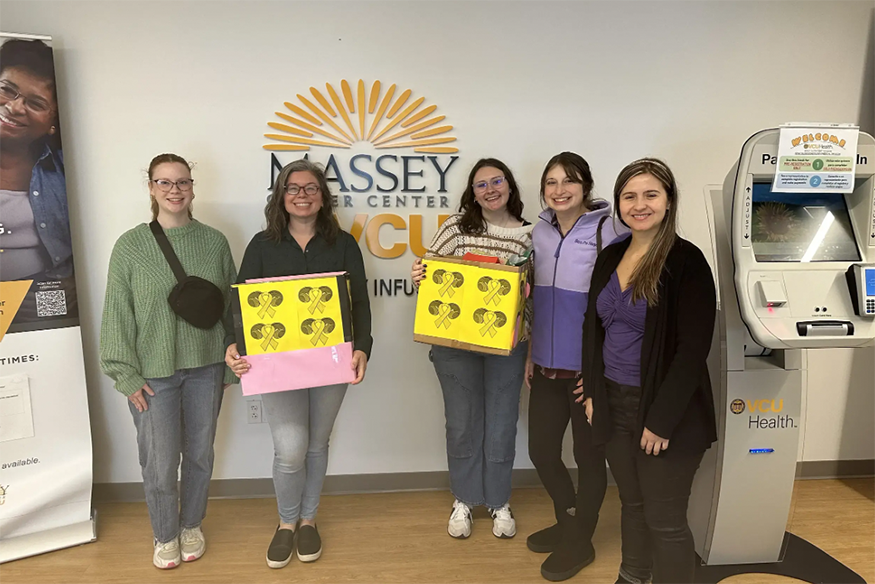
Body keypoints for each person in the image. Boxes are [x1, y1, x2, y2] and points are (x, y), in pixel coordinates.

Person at [225, 159, 372, 569]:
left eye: (310, 188)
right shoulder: (261, 245)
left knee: (317, 444)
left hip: (332, 361)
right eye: (293, 188)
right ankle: (286, 523)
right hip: (277, 366)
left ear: (322, 196)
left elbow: (359, 301)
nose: (302, 195)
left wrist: (363, 347)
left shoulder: (343, 243)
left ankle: (308, 519)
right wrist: (232, 345)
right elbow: (240, 304)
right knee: (291, 450)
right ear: (281, 196)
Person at [579, 158, 717, 584]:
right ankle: (633, 575)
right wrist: (590, 393)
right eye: (630, 196)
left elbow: (692, 352)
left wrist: (660, 421)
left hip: (665, 412)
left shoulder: (687, 262)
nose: (639, 204)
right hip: (613, 402)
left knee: (665, 519)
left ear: (669, 200)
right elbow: (592, 328)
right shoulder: (612, 256)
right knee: (633, 504)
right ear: (619, 203)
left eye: (650, 194)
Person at [99, 153, 237, 569]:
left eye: (182, 182)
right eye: (164, 182)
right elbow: (117, 312)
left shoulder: (214, 242)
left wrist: (231, 363)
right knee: (158, 461)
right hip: (152, 374)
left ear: (193, 187)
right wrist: (123, 373)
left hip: (207, 366)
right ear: (151, 188)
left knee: (199, 454)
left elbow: (233, 305)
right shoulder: (130, 245)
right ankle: (165, 534)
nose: (174, 190)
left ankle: (192, 523)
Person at [411, 158, 532, 540]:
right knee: (462, 423)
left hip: (507, 345)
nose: (490, 189)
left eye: (497, 181)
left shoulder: (531, 236)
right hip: (455, 346)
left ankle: (498, 501)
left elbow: (534, 295)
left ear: (510, 186)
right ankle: (464, 498)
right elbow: (432, 275)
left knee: (501, 425)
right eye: (481, 184)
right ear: (472, 192)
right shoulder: (456, 227)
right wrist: (420, 275)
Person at [525, 152, 625, 581]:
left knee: (588, 458)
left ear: (586, 185)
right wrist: (530, 351)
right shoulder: (539, 231)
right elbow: (528, 296)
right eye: (551, 182)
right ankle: (569, 521)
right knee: (542, 452)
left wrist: (598, 368)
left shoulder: (609, 229)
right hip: (545, 365)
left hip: (587, 370)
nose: (559, 189)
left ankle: (580, 540)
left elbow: (617, 304)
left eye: (569, 180)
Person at [0, 38, 77, 326]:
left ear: (52, 122)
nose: (15, 107)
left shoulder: (63, 171)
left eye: (35, 103)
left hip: (42, 299)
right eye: (7, 90)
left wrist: (70, 286)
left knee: (46, 364)